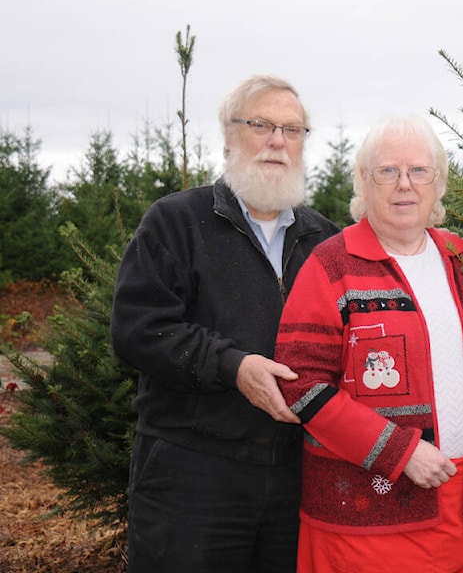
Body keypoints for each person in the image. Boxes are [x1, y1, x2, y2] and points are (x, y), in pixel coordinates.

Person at [110, 74, 341, 573]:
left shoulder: (326, 240)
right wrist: (232, 367)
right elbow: (138, 328)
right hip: (193, 474)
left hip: (297, 477)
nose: (278, 141)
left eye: (293, 130)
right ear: (229, 134)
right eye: (261, 125)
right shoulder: (175, 221)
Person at [275, 114, 463, 572]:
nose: (404, 184)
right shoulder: (332, 265)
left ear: (439, 182)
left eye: (419, 171)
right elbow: (302, 383)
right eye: (387, 171)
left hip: (461, 507)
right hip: (361, 528)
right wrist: (399, 451)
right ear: (364, 184)